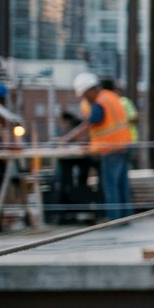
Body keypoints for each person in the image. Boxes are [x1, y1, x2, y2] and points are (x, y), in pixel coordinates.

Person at [59, 72, 131, 220]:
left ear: (90, 90)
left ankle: (114, 218)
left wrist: (68, 138)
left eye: (85, 94)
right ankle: (126, 217)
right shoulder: (110, 96)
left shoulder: (100, 102)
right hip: (124, 145)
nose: (85, 98)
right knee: (122, 185)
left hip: (111, 149)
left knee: (110, 186)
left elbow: (92, 122)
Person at [98, 78, 139, 142]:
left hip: (128, 139)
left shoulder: (124, 101)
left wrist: (120, 124)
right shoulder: (106, 103)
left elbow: (135, 118)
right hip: (114, 141)